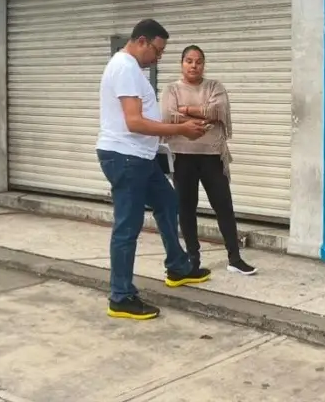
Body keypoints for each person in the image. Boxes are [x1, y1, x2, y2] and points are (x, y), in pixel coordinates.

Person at [97, 19, 211, 320]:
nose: (158, 58)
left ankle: (178, 266)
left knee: (167, 202)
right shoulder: (125, 68)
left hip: (139, 158)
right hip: (126, 158)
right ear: (143, 41)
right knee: (127, 227)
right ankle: (120, 296)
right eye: (158, 51)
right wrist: (180, 129)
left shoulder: (131, 68)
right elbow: (133, 122)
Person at [161, 45, 256, 276]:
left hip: (213, 156)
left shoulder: (215, 86)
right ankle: (193, 258)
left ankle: (234, 258)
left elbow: (219, 110)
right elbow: (167, 115)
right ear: (182, 63)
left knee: (224, 206)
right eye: (189, 61)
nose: (194, 65)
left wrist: (185, 110)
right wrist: (201, 113)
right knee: (186, 208)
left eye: (199, 61)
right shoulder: (171, 89)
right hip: (182, 157)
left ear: (204, 64)